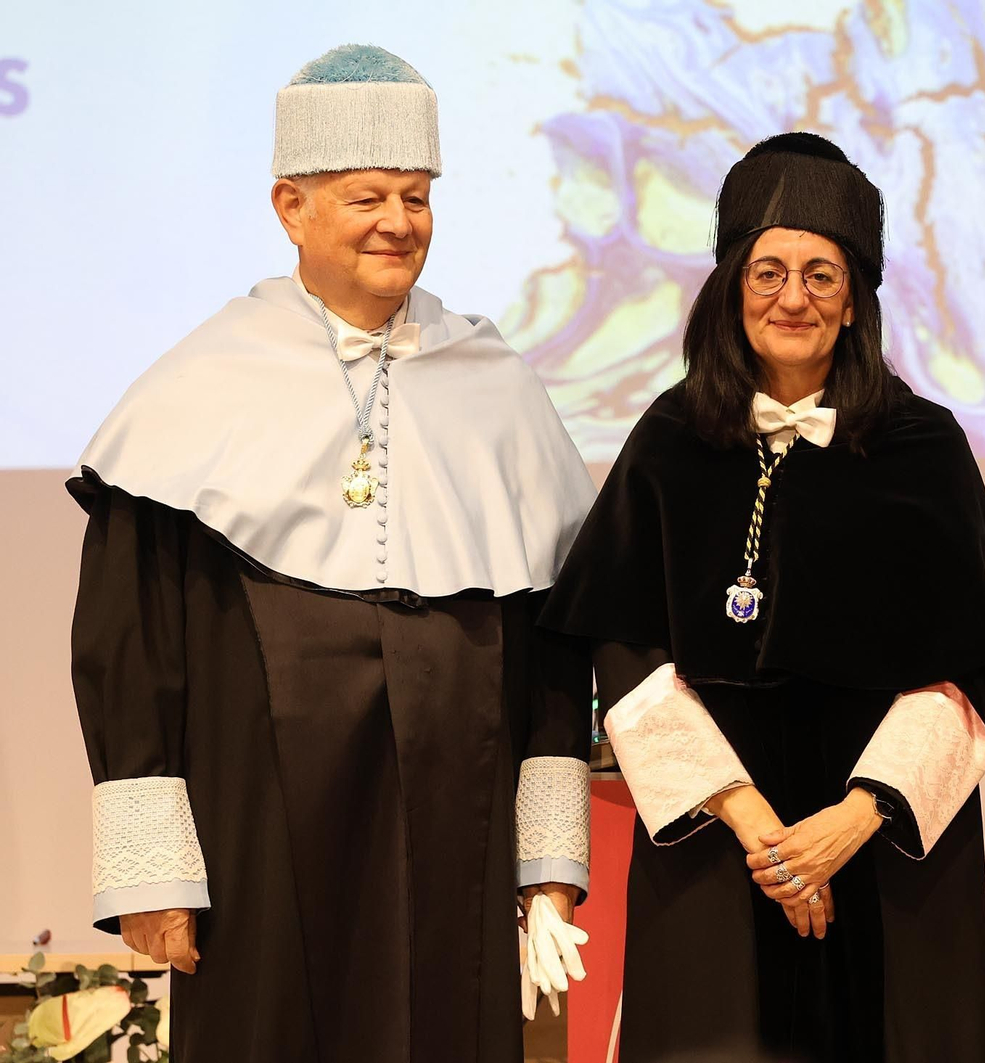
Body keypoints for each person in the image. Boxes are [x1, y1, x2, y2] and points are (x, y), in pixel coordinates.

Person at [68, 45, 596, 1062]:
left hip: (461, 807)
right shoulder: (201, 383)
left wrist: (548, 862)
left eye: (416, 196)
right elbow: (129, 648)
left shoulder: (495, 381)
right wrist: (151, 876)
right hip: (256, 815)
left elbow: (551, 646)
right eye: (366, 197)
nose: (398, 223)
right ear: (289, 207)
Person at [539, 132, 985, 1063]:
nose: (793, 297)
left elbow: (968, 670)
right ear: (732, 289)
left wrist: (850, 822)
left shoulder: (923, 448)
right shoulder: (669, 439)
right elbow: (625, 652)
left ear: (855, 301)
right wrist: (759, 827)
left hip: (889, 853)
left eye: (821, 273)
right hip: (712, 840)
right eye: (768, 271)